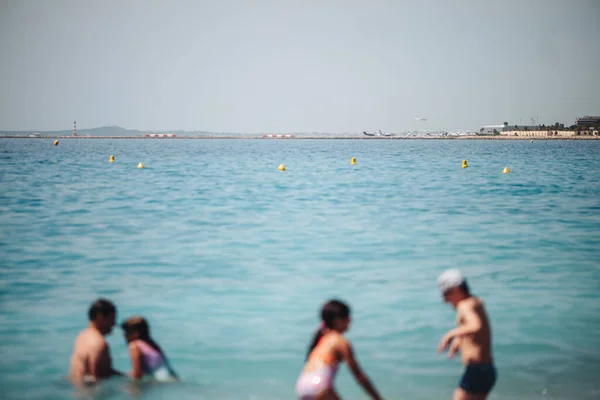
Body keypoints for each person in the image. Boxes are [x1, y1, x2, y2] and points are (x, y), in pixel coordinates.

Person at [295, 299, 384, 400]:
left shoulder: (321, 339)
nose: (350, 320)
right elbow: (359, 376)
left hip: (302, 385)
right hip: (320, 385)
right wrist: (377, 398)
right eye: (347, 317)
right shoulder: (340, 341)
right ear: (338, 320)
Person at [437, 269, 497, 400]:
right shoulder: (474, 302)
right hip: (487, 370)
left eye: (446, 294)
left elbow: (476, 325)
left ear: (457, 290)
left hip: (477, 370)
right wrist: (459, 339)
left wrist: (450, 334)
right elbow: (474, 328)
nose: (445, 300)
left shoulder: (464, 306)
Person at [69, 299, 123, 385]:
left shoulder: (82, 335)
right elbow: (97, 381)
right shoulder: (99, 344)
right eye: (112, 318)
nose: (114, 324)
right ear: (100, 317)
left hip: (75, 387)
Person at [120, 316, 178, 382]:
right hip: (174, 379)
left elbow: (137, 375)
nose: (124, 335)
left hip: (161, 383)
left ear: (136, 333)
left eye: (126, 332)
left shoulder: (134, 346)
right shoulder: (153, 344)